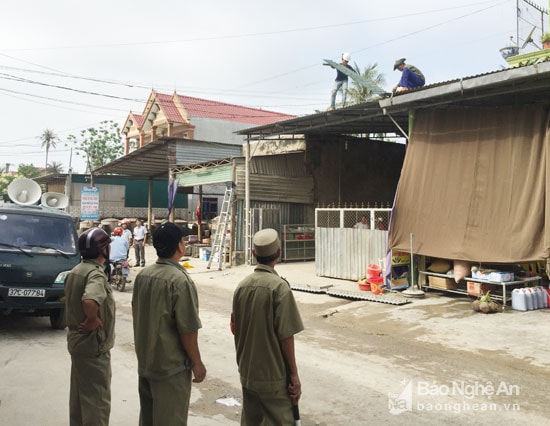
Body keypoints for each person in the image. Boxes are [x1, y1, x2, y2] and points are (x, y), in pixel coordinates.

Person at [132, 222, 206, 426]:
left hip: (147, 363)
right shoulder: (179, 280)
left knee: (148, 418)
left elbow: (136, 312)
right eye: (183, 241)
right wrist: (197, 363)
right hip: (170, 369)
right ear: (179, 247)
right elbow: (187, 329)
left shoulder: (143, 275)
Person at [231, 228, 304, 425]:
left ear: (254, 254)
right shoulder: (279, 288)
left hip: (247, 373)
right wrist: (294, 375)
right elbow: (286, 336)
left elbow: (234, 327)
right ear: (279, 253)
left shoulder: (241, 287)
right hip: (273, 377)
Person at [64, 227, 116, 426]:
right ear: (102, 250)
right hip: (93, 346)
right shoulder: (96, 275)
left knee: (79, 398)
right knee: (97, 401)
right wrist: (93, 319)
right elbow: (89, 300)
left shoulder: (76, 271)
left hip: (77, 343)